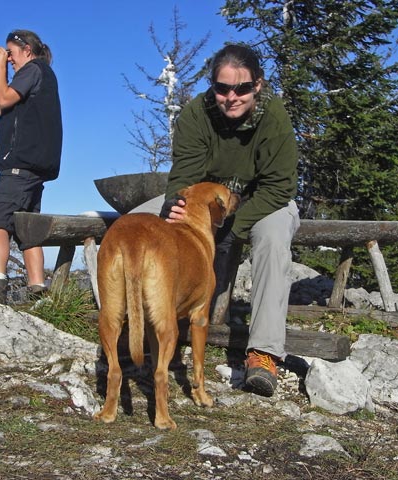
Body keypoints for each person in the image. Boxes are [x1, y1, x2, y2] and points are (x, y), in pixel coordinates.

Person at [132, 43, 300, 397]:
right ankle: (138, 331)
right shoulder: (197, 114)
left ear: (257, 85)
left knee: (273, 236)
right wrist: (177, 207)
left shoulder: (274, 117)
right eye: (222, 88)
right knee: (134, 223)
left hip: (261, 202)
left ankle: (263, 352)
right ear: (213, 87)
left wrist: (228, 226)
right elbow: (183, 179)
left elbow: (280, 186)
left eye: (241, 88)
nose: (231, 97)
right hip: (205, 202)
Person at [0, 30, 62, 304]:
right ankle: (37, 290)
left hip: (18, 166)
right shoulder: (42, 74)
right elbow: (2, 108)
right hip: (35, 169)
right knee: (28, 230)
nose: (9, 60)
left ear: (27, 50)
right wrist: (2, 72)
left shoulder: (32, 69)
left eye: (11, 54)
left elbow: (3, 100)